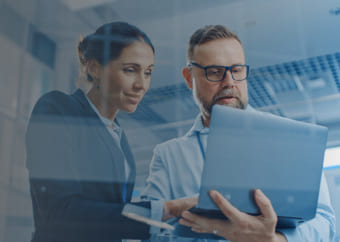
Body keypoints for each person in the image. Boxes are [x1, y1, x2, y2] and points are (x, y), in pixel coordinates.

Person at [141, 25, 336, 241]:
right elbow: (146, 230)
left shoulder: (293, 140)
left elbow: (325, 224)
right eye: (214, 72)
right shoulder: (169, 156)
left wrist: (274, 240)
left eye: (237, 70)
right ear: (189, 78)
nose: (229, 83)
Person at [25, 21, 196, 242]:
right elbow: (60, 212)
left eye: (148, 73)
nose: (141, 84)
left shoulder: (119, 139)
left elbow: (113, 219)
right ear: (94, 68)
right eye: (130, 70)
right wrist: (166, 209)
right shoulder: (59, 108)